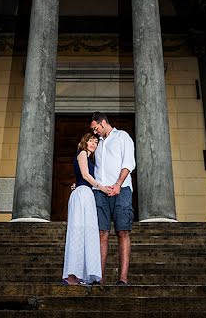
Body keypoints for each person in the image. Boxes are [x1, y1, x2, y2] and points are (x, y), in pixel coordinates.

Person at [89, 111, 136, 286]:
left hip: (121, 190)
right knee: (102, 233)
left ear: (103, 122)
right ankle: (99, 277)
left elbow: (129, 163)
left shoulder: (122, 136)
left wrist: (118, 184)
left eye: (95, 128)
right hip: (100, 192)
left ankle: (123, 278)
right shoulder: (96, 144)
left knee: (122, 231)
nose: (94, 132)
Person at [61, 133, 109, 285]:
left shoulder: (90, 159)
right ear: (85, 142)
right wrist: (102, 188)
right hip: (82, 194)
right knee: (77, 232)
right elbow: (85, 175)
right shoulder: (82, 153)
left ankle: (85, 274)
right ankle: (71, 275)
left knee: (88, 233)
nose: (94, 144)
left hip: (87, 194)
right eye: (91, 141)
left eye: (96, 141)